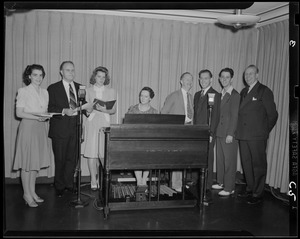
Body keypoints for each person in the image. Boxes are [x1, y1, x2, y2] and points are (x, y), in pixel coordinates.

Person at [236, 65, 278, 204]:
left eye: (251, 74)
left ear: (257, 75)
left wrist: (263, 131)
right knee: (246, 164)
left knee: (258, 165)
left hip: (257, 136)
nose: (248, 76)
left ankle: (258, 194)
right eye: (246, 74)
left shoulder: (264, 91)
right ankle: (250, 188)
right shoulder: (243, 91)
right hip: (243, 135)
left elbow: (272, 115)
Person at [13, 64, 52, 207]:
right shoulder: (23, 91)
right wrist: (38, 117)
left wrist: (47, 116)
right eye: (35, 75)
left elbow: (44, 111)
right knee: (27, 163)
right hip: (28, 128)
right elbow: (19, 113)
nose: (38, 78)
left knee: (35, 162)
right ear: (29, 76)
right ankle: (26, 194)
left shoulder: (45, 92)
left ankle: (33, 192)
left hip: (40, 128)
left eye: (40, 75)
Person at [47, 61, 86, 197]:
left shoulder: (80, 87)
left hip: (75, 128)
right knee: (60, 159)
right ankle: (59, 186)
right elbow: (50, 108)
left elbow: (84, 105)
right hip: (60, 129)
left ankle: (69, 184)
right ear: (61, 72)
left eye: (73, 70)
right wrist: (64, 110)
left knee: (72, 159)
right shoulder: (53, 88)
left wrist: (90, 108)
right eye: (68, 70)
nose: (71, 73)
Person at [81, 66, 116, 190]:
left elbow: (113, 110)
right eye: (99, 76)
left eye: (103, 77)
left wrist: (104, 109)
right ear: (94, 77)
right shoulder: (88, 91)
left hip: (104, 122)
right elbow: (85, 109)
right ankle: (93, 180)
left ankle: (102, 180)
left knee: (102, 153)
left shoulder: (111, 91)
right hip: (92, 122)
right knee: (92, 153)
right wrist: (89, 109)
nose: (101, 79)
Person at [161, 72, 194, 192]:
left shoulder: (191, 97)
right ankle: (176, 184)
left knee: (184, 157)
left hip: (188, 129)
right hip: (177, 130)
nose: (189, 82)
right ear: (181, 81)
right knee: (178, 157)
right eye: (186, 79)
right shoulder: (174, 95)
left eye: (191, 80)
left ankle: (181, 181)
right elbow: (164, 113)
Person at [193, 69, 221, 203]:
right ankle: (200, 184)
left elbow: (215, 117)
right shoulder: (198, 94)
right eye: (201, 78)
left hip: (208, 133)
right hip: (197, 132)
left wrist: (211, 133)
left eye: (206, 78)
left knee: (208, 160)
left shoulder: (215, 94)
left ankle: (207, 188)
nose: (203, 81)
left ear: (211, 79)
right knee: (199, 158)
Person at [213, 67, 240, 197]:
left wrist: (231, 133)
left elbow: (235, 116)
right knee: (221, 160)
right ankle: (221, 182)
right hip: (219, 131)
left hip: (228, 133)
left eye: (227, 77)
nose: (224, 79)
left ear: (232, 79)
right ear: (219, 78)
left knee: (229, 161)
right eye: (222, 77)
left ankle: (229, 187)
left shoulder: (235, 95)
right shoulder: (220, 94)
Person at [127, 87, 158, 186]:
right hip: (135, 140)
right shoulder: (132, 109)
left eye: (146, 96)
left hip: (149, 141)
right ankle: (139, 180)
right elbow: (127, 125)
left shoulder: (154, 112)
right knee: (136, 160)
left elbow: (156, 129)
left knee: (148, 160)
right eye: (141, 95)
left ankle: (144, 180)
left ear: (150, 98)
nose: (143, 98)